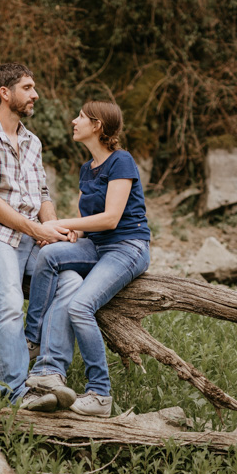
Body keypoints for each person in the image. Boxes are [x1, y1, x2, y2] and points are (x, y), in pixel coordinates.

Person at [0, 63, 82, 410]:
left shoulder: (32, 141)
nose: (35, 94)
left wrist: (52, 228)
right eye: (28, 87)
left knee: (71, 282)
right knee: (10, 304)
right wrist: (35, 229)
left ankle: (46, 373)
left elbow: (42, 194)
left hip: (31, 237)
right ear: (5, 93)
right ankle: (14, 395)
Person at [22, 101, 151, 417]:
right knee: (50, 253)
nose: (73, 120)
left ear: (97, 125)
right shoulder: (86, 169)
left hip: (127, 247)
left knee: (80, 305)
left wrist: (60, 223)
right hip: (97, 245)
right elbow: (89, 222)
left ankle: (100, 395)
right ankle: (34, 340)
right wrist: (64, 234)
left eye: (80, 116)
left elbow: (110, 219)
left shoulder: (121, 161)